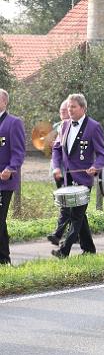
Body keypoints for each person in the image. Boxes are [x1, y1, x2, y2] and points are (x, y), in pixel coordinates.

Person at [51, 93, 104, 258]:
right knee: (79, 215)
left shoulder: (94, 127)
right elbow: (56, 149)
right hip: (67, 178)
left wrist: (95, 167)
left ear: (83, 108)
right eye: (69, 106)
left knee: (75, 216)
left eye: (73, 107)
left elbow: (102, 154)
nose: (70, 109)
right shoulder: (64, 125)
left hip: (83, 180)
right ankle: (89, 249)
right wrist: (56, 167)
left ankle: (63, 250)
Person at [0, 89, 26, 265]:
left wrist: (11, 168)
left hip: (4, 181)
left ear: (4, 102)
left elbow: (19, 152)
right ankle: (4, 258)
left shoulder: (13, 123)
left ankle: (3, 259)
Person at [46, 100, 72, 245]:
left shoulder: (76, 127)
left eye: (65, 110)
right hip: (58, 170)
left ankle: (58, 234)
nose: (62, 112)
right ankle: (76, 234)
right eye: (61, 110)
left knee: (67, 203)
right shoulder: (57, 126)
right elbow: (49, 146)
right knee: (70, 204)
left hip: (70, 171)